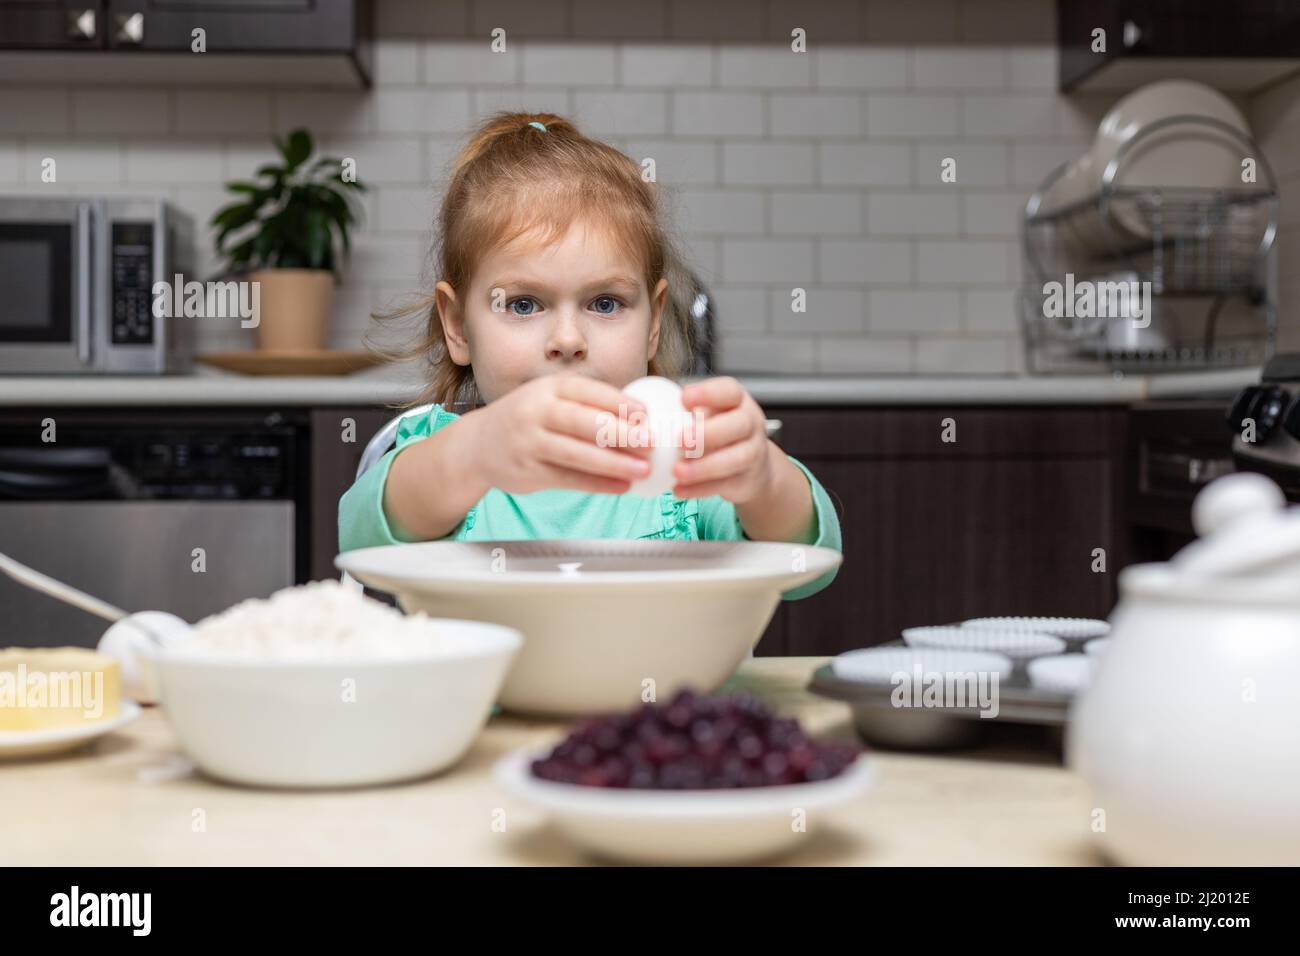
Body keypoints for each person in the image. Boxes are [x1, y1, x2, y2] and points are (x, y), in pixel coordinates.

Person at [338, 112, 840, 600]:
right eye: (523, 304)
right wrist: (475, 452)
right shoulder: (447, 456)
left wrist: (762, 477)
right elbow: (361, 540)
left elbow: (804, 566)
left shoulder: (680, 466)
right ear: (458, 326)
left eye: (605, 303)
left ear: (653, 322)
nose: (568, 338)